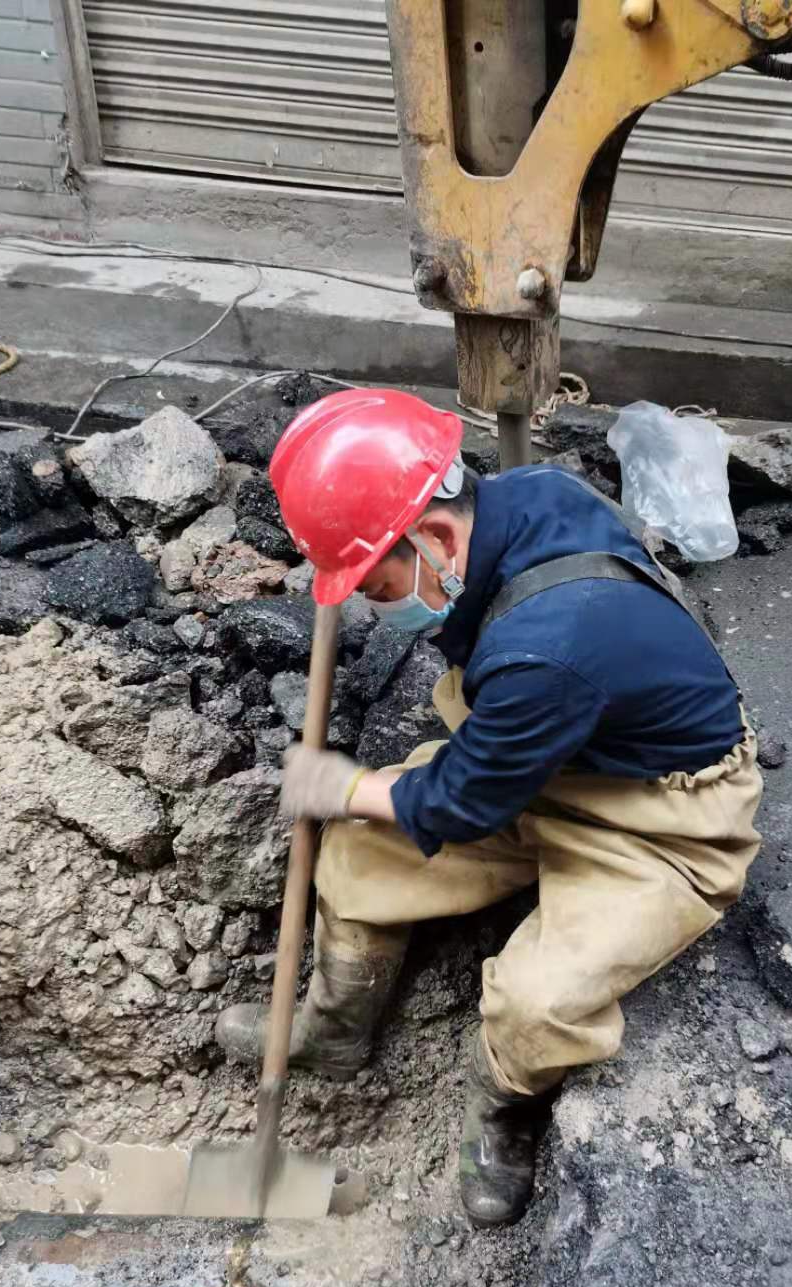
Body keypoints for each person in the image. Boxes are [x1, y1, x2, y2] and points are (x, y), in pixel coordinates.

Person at [216, 387, 762, 1228]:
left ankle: (503, 1108)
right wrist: (360, 808)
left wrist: (344, 786)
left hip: (665, 817)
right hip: (557, 749)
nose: (371, 604)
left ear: (436, 537)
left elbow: (462, 801)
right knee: (357, 852)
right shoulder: (523, 499)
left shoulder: (547, 647)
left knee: (537, 1002)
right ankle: (335, 1029)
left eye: (377, 582)